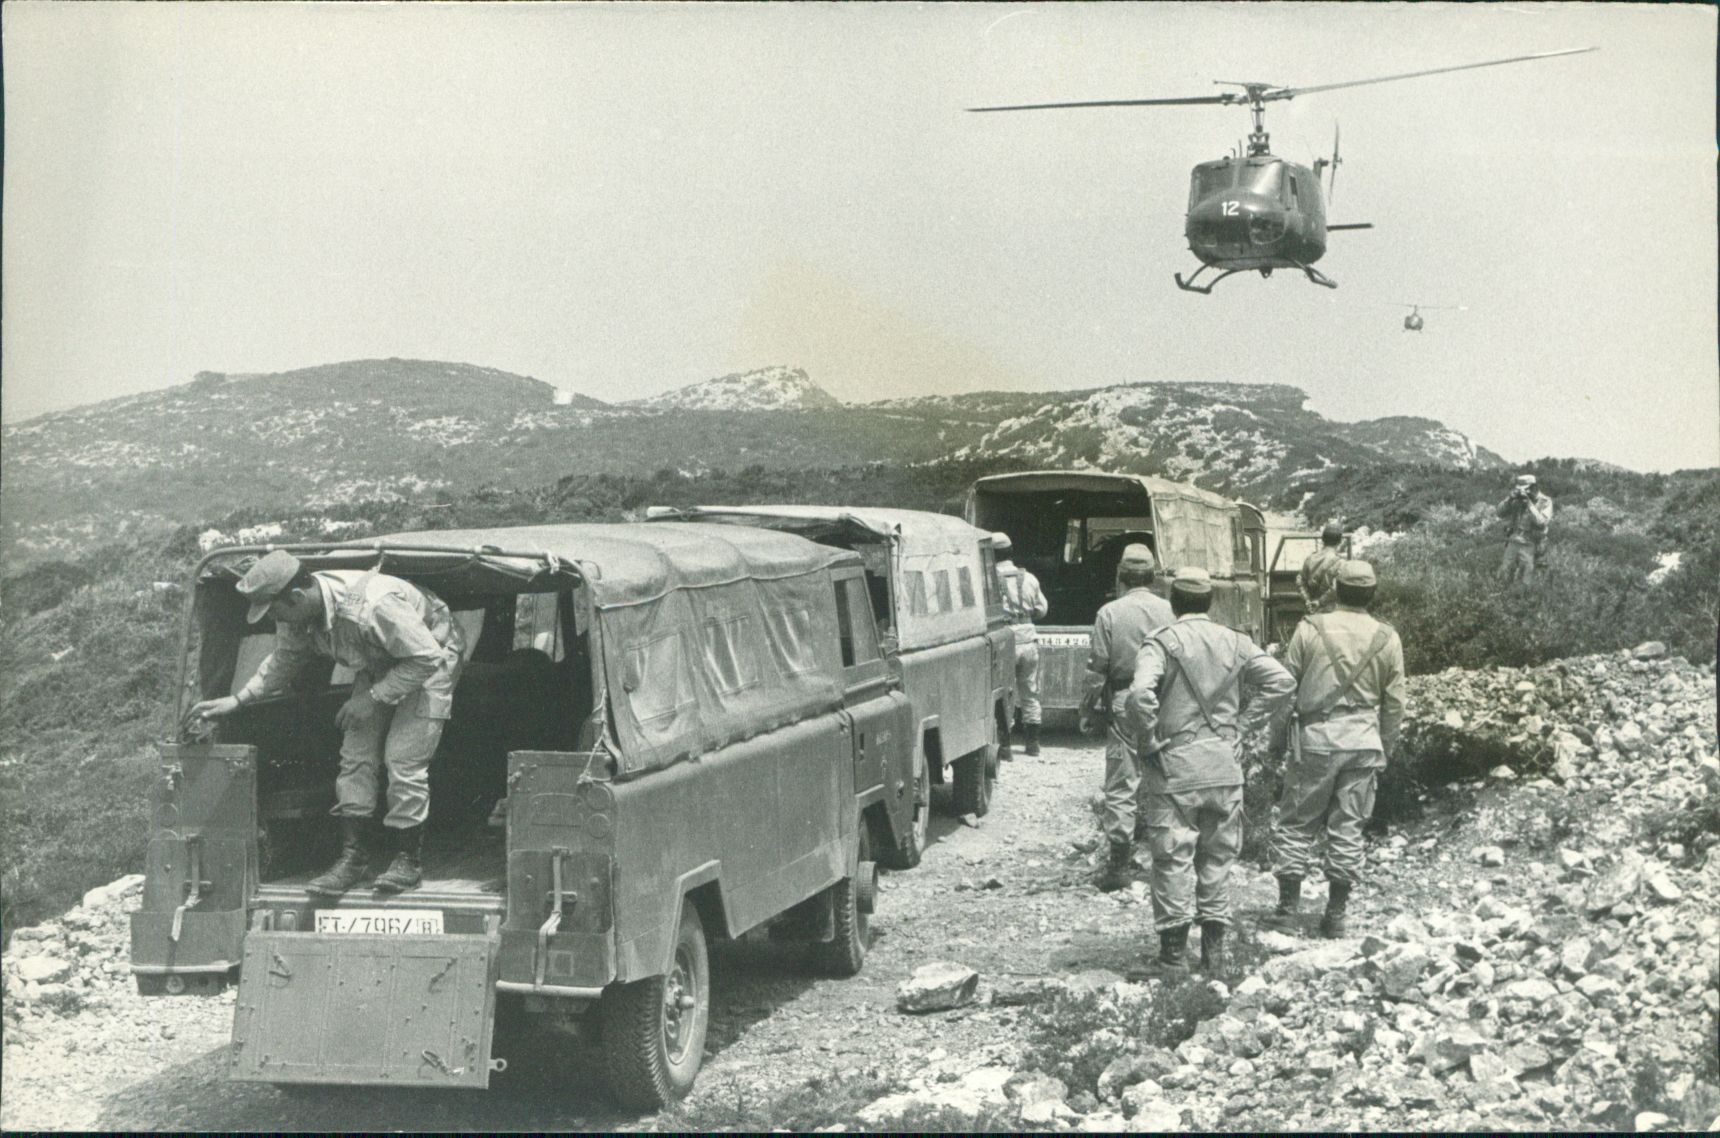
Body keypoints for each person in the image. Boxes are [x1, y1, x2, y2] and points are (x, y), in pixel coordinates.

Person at [188, 550, 467, 896]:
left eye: (274, 610)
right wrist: (238, 699)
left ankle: (407, 861)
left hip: (431, 654)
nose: (275, 619)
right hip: (380, 660)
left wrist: (373, 698)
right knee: (355, 755)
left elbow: (426, 658)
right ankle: (354, 859)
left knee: (403, 759)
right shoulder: (295, 614)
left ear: (296, 596)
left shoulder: (374, 606)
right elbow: (285, 660)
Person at [1125, 568, 1294, 977]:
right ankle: (1214, 958)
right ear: (1210, 603)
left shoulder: (1161, 642)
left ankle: (1172, 958)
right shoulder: (1236, 641)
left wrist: (1147, 741)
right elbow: (1283, 681)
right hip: (1224, 767)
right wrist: (1243, 725)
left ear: (1174, 603)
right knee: (1217, 859)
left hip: (1175, 769)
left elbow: (1138, 694)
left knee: (1173, 859)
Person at [1264, 560, 1405, 939]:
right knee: (1348, 829)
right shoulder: (1387, 636)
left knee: (1296, 823)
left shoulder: (1310, 629)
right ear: (1372, 594)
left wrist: (1276, 741)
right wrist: (1384, 748)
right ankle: (1336, 915)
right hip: (1363, 742)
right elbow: (1394, 704)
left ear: (1336, 590)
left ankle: (1287, 912)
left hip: (1316, 740)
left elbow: (1284, 689)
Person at [1080, 543, 1174, 892]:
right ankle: (1168, 860)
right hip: (1164, 700)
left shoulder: (1109, 613)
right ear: (1153, 576)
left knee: (1122, 782)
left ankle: (1119, 865)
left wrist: (1088, 708)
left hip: (1122, 701)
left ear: (1121, 575)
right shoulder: (1170, 611)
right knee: (1166, 777)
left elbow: (1097, 669)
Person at [994, 532, 1049, 757]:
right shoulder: (1029, 578)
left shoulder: (987, 577)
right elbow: (1042, 609)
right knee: (1030, 692)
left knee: (1003, 694)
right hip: (1028, 639)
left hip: (1003, 641)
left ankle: (1005, 746)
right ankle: (1033, 744)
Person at [1497, 473, 1553, 584]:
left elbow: (1541, 522)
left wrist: (1529, 503)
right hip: (1514, 538)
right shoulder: (1516, 499)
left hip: (1531, 541)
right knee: (1504, 571)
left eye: (1525, 490)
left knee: (1527, 575)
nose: (1523, 493)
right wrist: (1509, 499)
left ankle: (1524, 596)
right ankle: (1502, 592)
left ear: (1534, 487)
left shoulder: (1545, 501)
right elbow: (1499, 513)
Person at [1298, 522, 1345, 613]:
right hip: (1330, 611)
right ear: (1340, 541)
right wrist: (1319, 602)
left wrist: (1307, 600)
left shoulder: (1310, 558)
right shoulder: (1340, 563)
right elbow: (1335, 588)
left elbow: (1300, 581)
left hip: (1310, 609)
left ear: (1323, 539)